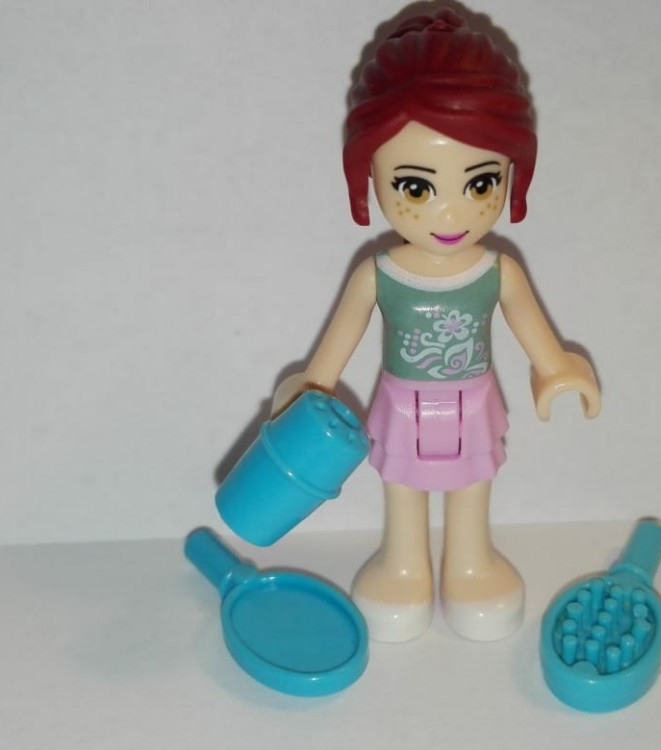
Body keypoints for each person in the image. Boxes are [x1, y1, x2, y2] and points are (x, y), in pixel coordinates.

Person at [272, 9, 601, 642]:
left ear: (511, 171)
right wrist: (309, 386)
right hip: (402, 402)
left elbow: (535, 332)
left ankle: (471, 565)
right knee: (402, 488)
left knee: (473, 485)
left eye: (480, 184)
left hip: (472, 400)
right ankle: (403, 566)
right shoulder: (378, 275)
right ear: (370, 174)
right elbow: (333, 352)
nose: (451, 214)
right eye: (417, 188)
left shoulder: (497, 272)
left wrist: (557, 368)